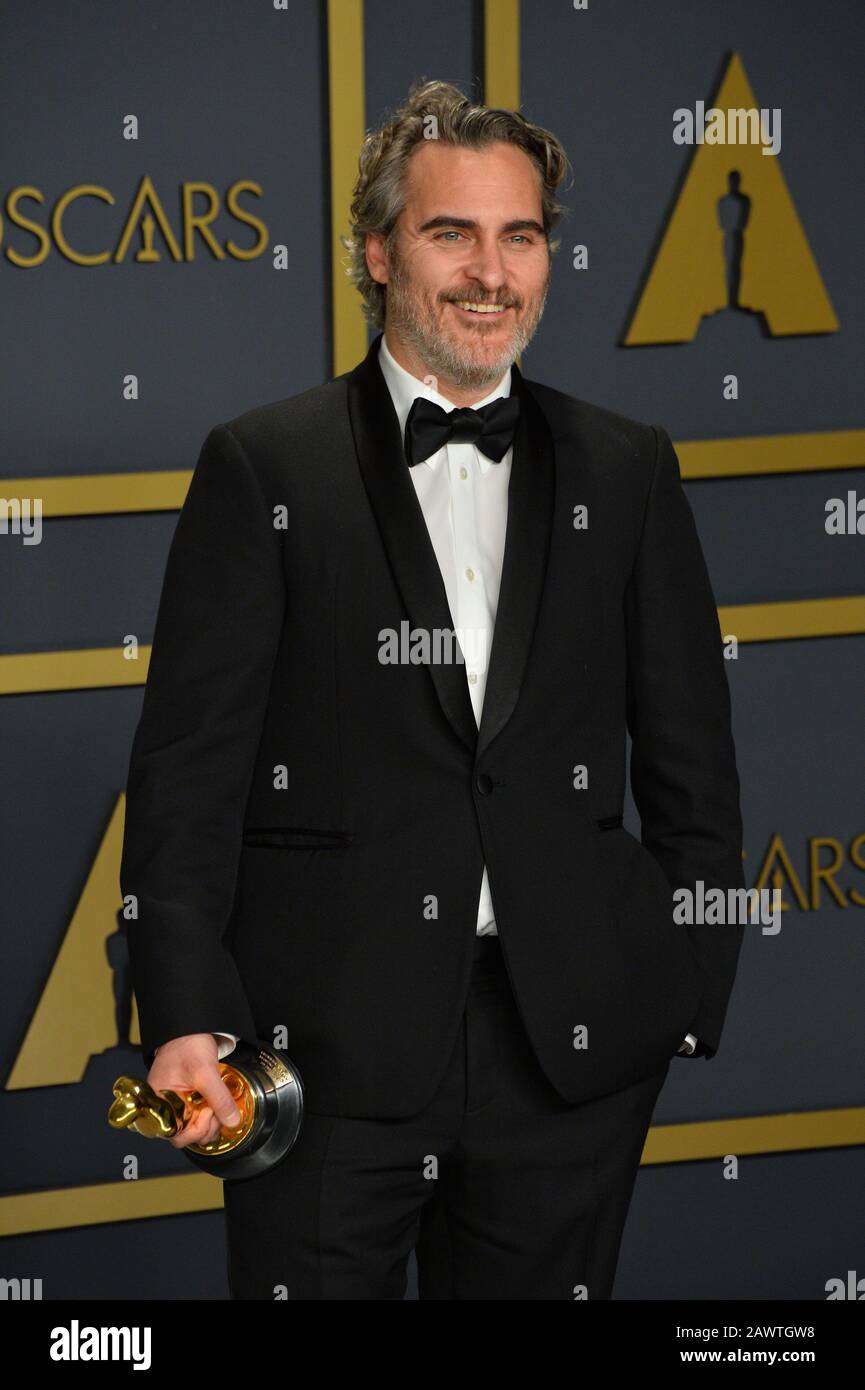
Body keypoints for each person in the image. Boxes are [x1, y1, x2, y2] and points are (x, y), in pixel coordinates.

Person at [119, 79, 745, 1300]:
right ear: (375, 251)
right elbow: (187, 773)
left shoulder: (626, 470)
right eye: (450, 232)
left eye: (519, 236)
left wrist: (674, 991)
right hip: (324, 1055)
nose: (490, 272)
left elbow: (693, 767)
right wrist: (185, 1011)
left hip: (565, 1060)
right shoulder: (265, 464)